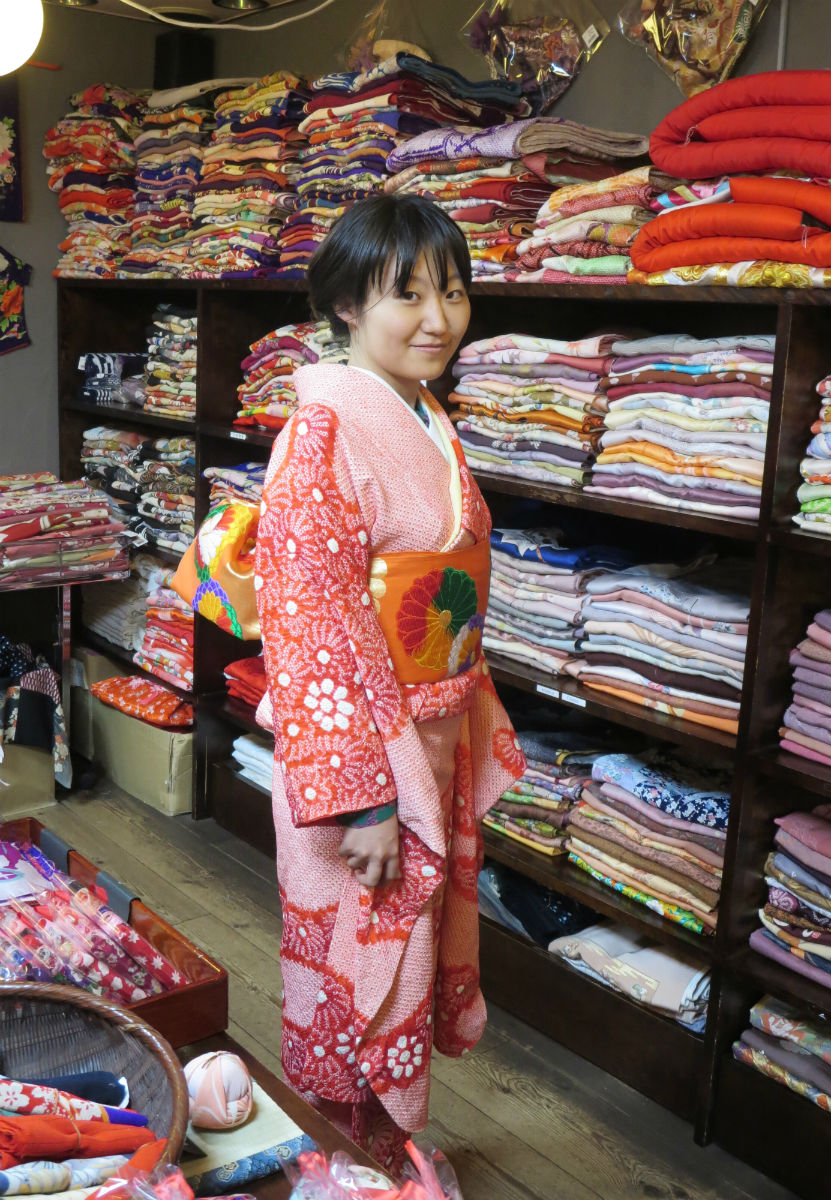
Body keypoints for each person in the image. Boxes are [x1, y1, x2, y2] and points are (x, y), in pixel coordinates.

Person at [254, 194, 526, 1168]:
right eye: (406, 294)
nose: (438, 318)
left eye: (452, 291)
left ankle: (386, 1151)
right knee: (352, 967)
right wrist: (363, 800)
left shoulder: (426, 418)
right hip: (362, 758)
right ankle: (342, 1160)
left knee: (407, 959)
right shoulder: (324, 431)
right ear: (345, 305)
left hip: (430, 735)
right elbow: (311, 623)